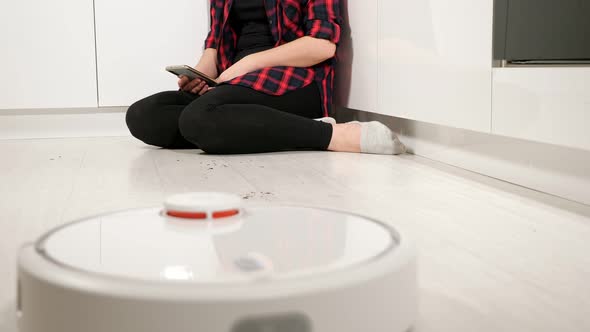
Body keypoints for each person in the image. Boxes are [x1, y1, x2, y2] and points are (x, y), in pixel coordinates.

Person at [126, 0, 405, 155]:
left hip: (296, 79)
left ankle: (332, 135)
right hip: (233, 82)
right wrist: (199, 76)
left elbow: (322, 45)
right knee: (144, 115)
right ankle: (258, 126)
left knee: (198, 118)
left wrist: (249, 63)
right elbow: (215, 42)